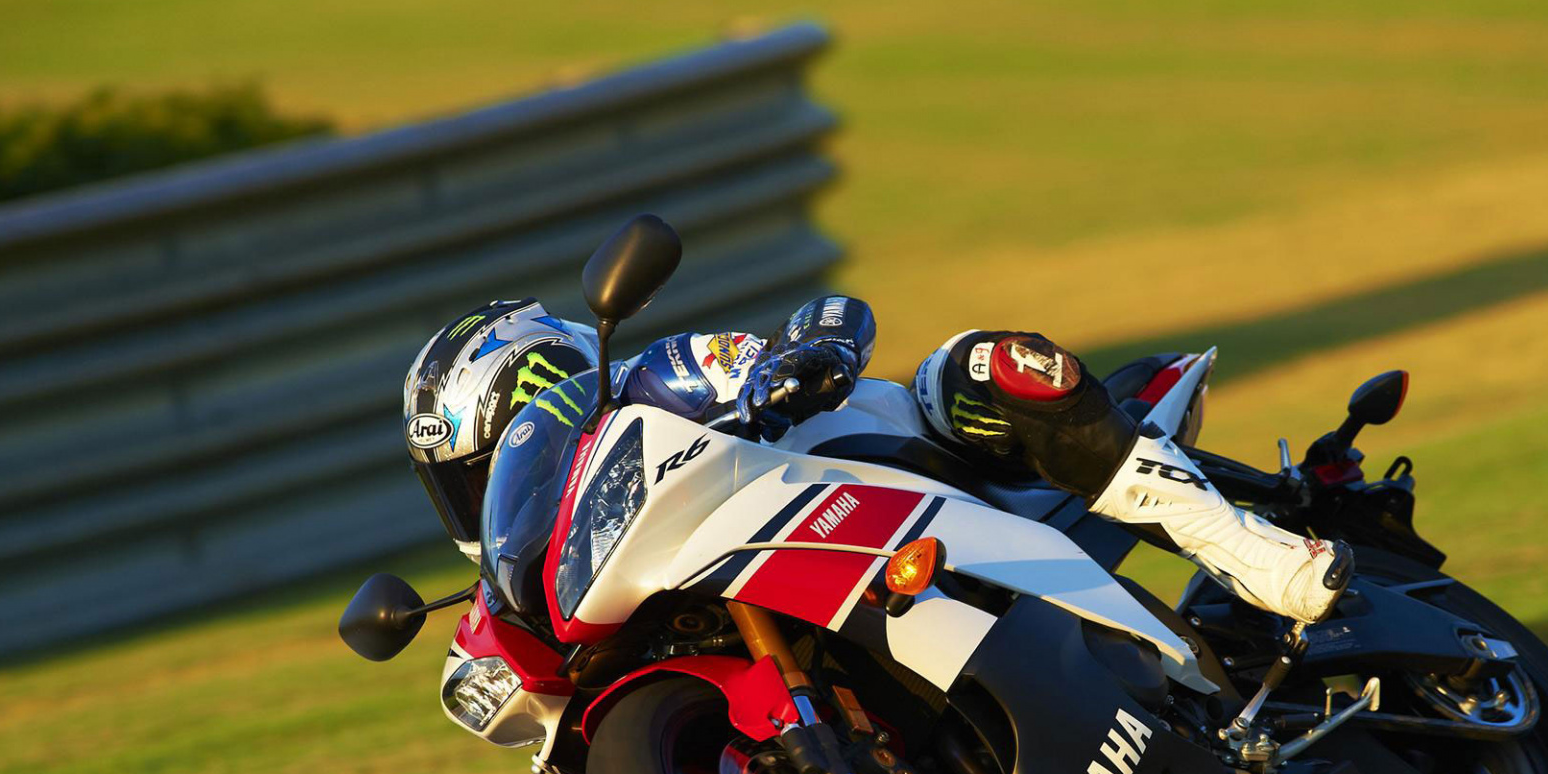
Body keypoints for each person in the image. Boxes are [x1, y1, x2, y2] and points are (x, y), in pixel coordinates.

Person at [403, 295, 1349, 625]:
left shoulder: (656, 378)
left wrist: (803, 362)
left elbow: (823, 317)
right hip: (844, 571)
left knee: (992, 363)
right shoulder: (561, 564)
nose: (488, 493)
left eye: (492, 457)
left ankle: (1260, 558)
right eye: (467, 488)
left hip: (936, 469)